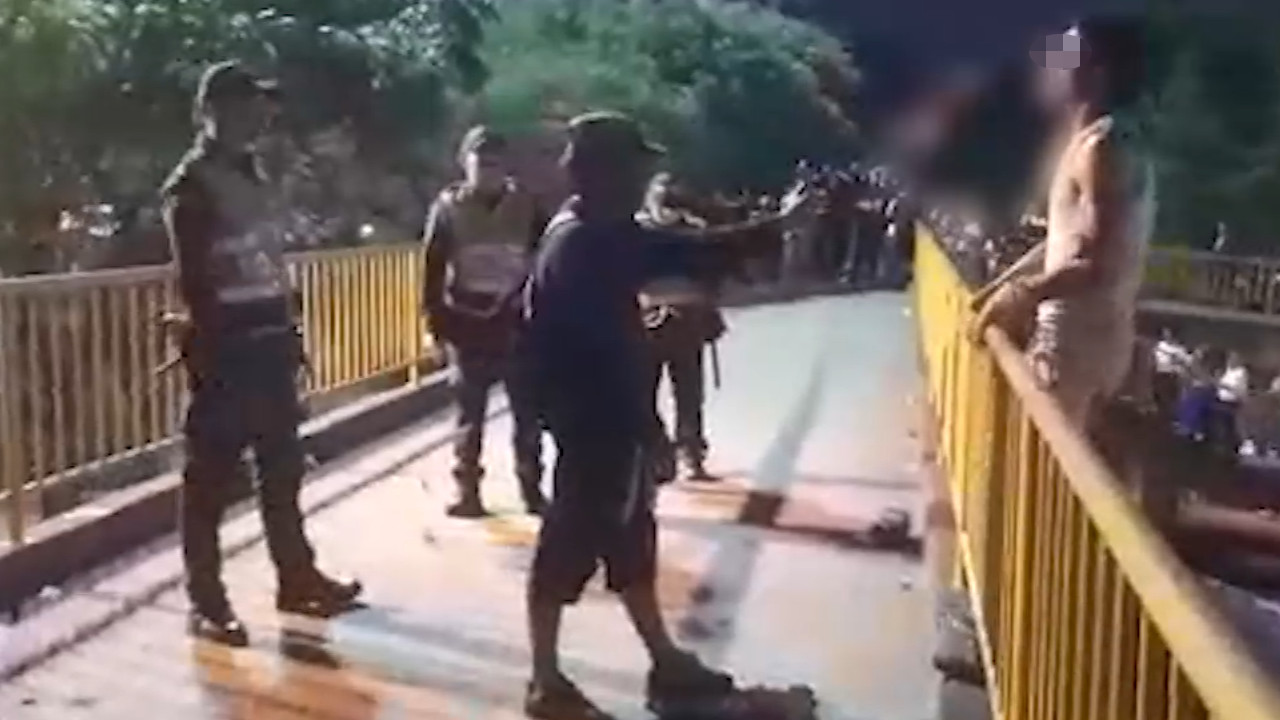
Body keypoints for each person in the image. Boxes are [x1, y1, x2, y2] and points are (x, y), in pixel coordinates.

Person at [518, 111, 812, 719]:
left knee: (630, 542)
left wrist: (776, 226)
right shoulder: (582, 242)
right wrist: (647, 428)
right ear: (601, 172)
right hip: (593, 423)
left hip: (605, 418)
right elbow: (597, 349)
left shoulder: (601, 232)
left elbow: (681, 253)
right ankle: (545, 681)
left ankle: (665, 660)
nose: (639, 180)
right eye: (632, 167)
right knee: (568, 544)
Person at [161, 61, 361, 647]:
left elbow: (265, 257)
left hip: (270, 342)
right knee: (210, 482)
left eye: (260, 107)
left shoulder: (253, 175)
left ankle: (297, 579)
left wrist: (289, 326)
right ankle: (206, 603)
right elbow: (195, 281)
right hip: (228, 350)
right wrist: (212, 348)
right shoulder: (191, 187)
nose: (258, 117)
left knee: (282, 470)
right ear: (213, 112)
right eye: (246, 106)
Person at [973, 18, 1155, 429]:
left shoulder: (1102, 148)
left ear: (1098, 71)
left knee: (1041, 455)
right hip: (1083, 339)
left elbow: (1094, 260)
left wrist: (1023, 294)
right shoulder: (1106, 139)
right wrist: (1000, 287)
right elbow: (1068, 241)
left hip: (1073, 344)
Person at [422, 126, 549, 517]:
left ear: (506, 165)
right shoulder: (448, 208)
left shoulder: (528, 206)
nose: (488, 170)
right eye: (481, 162)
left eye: (495, 162)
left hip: (516, 319)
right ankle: (468, 491)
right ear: (465, 163)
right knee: (469, 413)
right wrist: (436, 320)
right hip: (468, 318)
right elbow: (432, 268)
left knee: (527, 412)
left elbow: (545, 262)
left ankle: (531, 488)